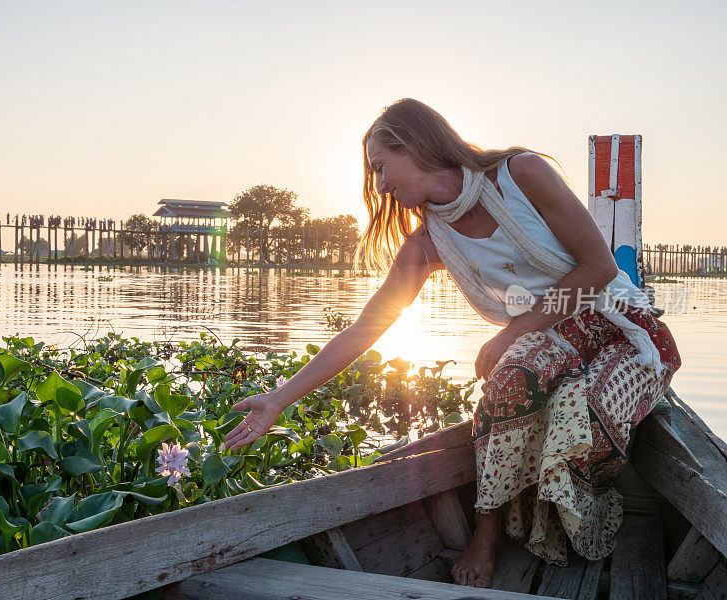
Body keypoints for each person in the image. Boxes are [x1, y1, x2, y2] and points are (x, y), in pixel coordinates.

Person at [222, 98, 681, 588]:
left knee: (572, 404)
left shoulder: (520, 175)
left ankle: (582, 503)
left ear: (416, 144)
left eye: (381, 167)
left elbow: (599, 269)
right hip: (547, 343)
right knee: (513, 375)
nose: (379, 185)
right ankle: (486, 535)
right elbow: (365, 327)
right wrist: (278, 399)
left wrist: (511, 330)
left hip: (620, 326)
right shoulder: (427, 244)